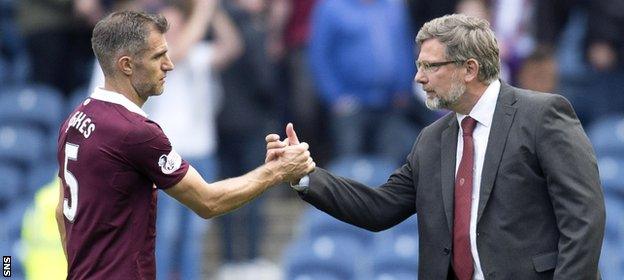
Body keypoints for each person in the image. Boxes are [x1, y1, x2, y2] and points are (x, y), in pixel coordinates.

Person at [267, 14, 605, 279]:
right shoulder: (431, 139)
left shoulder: (542, 115)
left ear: (470, 68)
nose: (419, 77)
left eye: (431, 66)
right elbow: (378, 208)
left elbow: (583, 219)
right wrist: (306, 174)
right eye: (418, 65)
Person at [55, 10, 315, 279]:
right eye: (158, 56)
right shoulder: (134, 132)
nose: (169, 64)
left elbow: (60, 212)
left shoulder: (76, 119)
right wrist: (278, 171)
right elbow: (208, 201)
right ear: (127, 65)